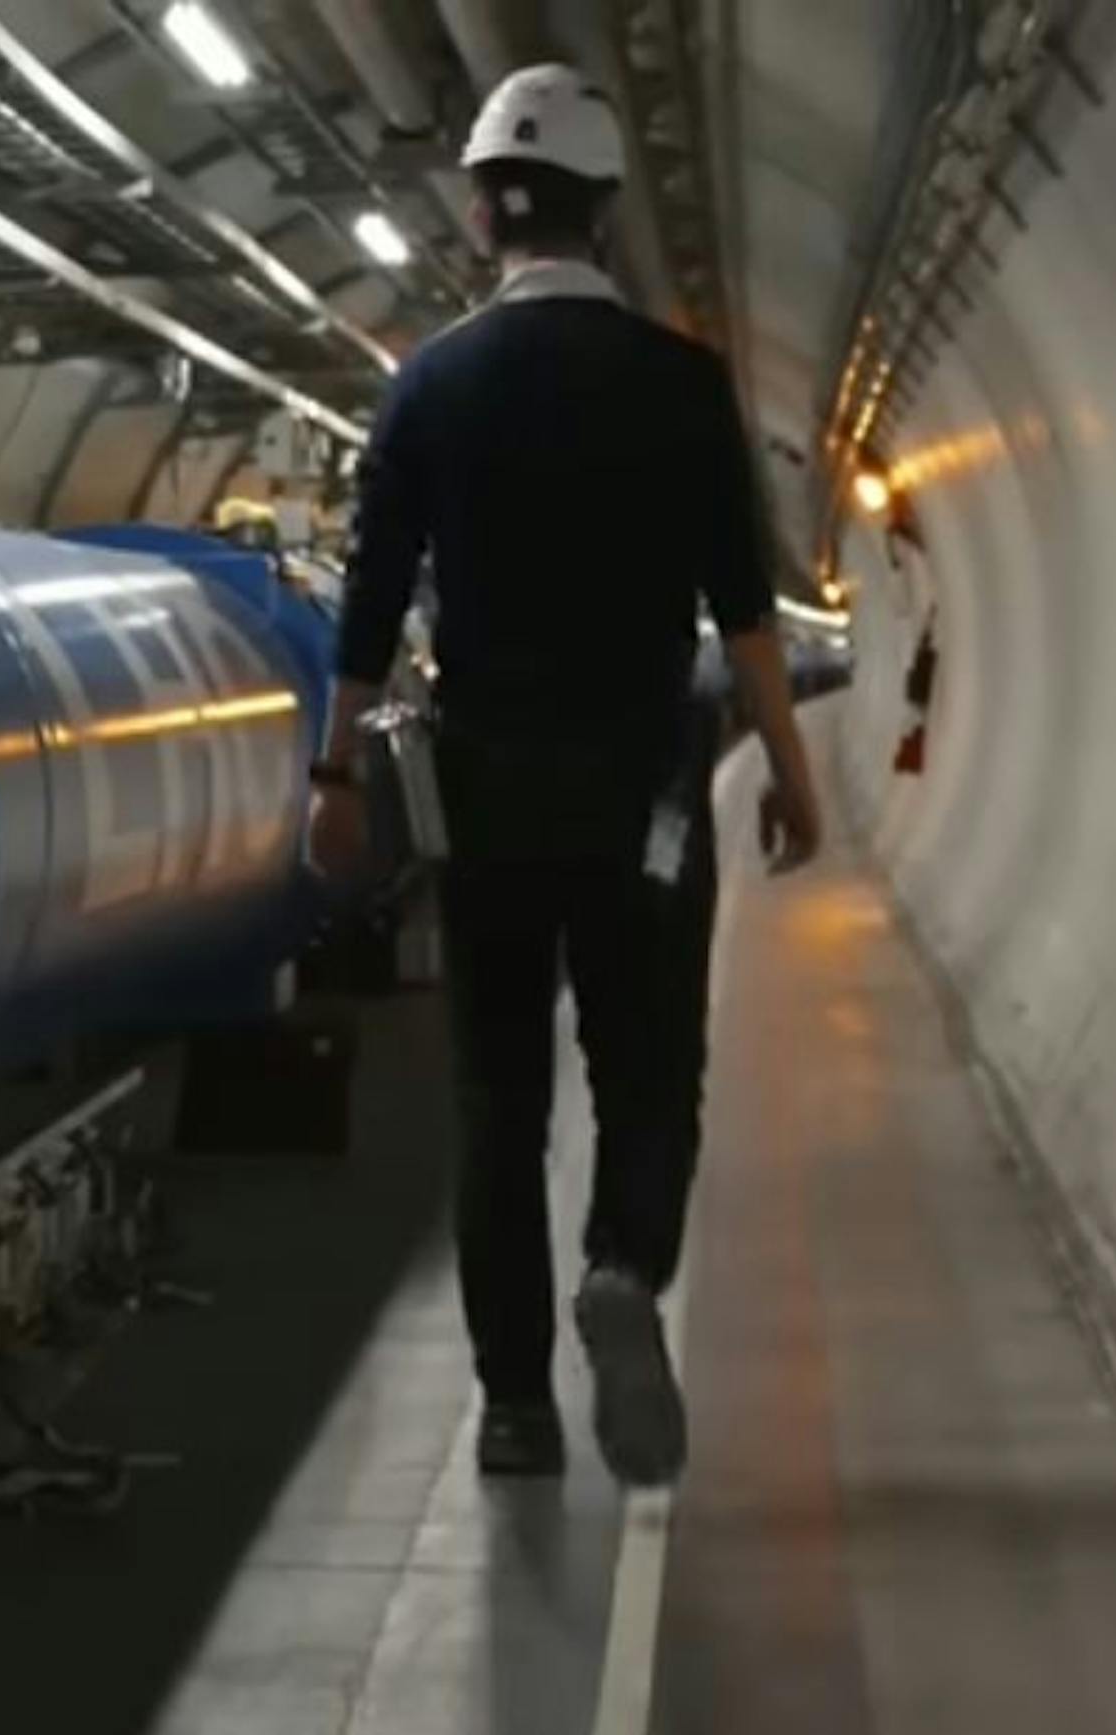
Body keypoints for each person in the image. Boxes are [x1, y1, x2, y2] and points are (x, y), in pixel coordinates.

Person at [309, 62, 823, 1486]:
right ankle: (623, 1267)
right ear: (604, 216)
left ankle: (518, 1411)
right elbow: (747, 616)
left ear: (482, 213)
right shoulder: (682, 387)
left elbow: (368, 601)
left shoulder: (430, 389)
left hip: (483, 796)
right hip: (648, 793)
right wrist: (789, 771)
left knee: (498, 1098)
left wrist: (334, 771)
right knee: (652, 1066)